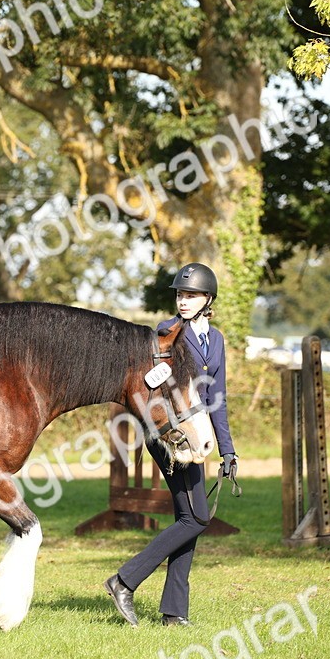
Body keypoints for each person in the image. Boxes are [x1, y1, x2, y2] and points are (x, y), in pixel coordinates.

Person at [104, 262, 237, 627]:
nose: (183, 300)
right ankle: (125, 580)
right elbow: (153, 383)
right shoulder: (166, 333)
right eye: (180, 294)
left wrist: (228, 449)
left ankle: (174, 612)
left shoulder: (218, 339)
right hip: (170, 436)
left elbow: (217, 398)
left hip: (198, 434)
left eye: (190, 295)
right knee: (197, 517)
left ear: (207, 299)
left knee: (189, 518)